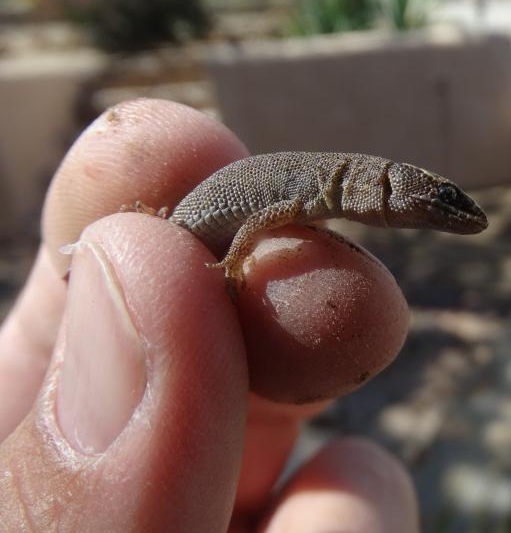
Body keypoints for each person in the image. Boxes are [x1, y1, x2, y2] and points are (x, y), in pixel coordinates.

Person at [0, 99, 419, 532]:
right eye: (442, 196)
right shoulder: (310, 190)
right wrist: (235, 260)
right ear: (384, 185)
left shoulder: (324, 189)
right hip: (174, 238)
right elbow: (258, 219)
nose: (451, 207)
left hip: (176, 266)